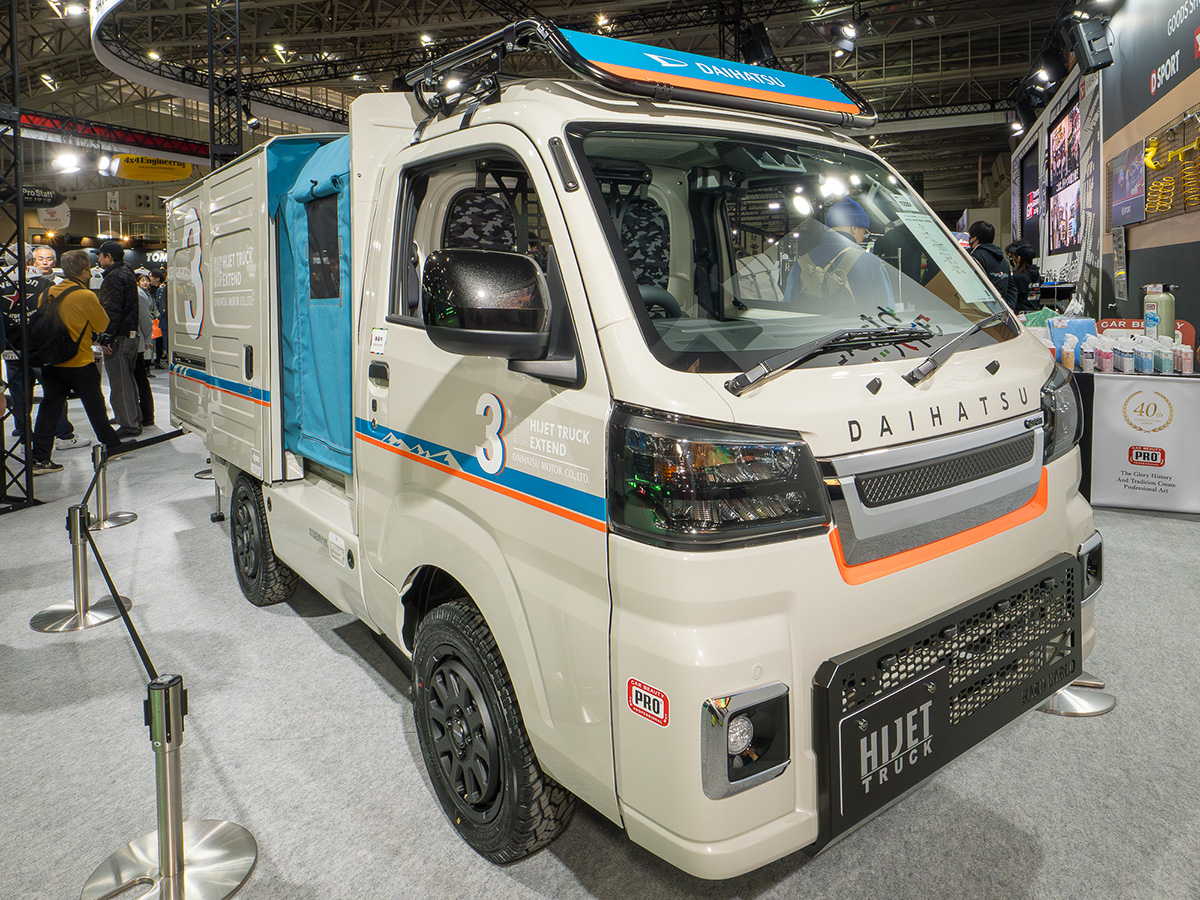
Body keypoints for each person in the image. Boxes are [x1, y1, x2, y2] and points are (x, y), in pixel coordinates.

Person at [29, 250, 129, 474]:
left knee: (49, 409)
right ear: (84, 271)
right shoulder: (85, 295)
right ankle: (112, 446)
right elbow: (102, 324)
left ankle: (40, 457)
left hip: (53, 361)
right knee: (95, 407)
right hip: (80, 361)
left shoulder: (47, 293)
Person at [2, 246, 89, 449]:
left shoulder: (1, 284)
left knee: (20, 396)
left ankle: (24, 438)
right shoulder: (45, 283)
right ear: (31, 261)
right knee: (54, 391)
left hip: (11, 348)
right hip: (40, 347)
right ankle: (64, 436)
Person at [787, 197, 894, 313]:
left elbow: (786, 309)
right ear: (854, 229)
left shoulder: (800, 264)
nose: (863, 237)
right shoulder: (872, 263)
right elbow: (888, 311)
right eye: (863, 231)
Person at [97, 240, 143, 438]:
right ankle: (133, 417)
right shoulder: (127, 273)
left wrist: (106, 337)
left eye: (100, 255)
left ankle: (129, 423)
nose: (98, 259)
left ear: (109, 257)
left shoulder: (115, 277)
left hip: (119, 337)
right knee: (127, 380)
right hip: (129, 336)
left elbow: (112, 310)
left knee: (120, 382)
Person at [967, 221, 1016, 306]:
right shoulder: (1003, 260)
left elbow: (972, 285)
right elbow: (1012, 287)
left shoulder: (976, 257)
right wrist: (1008, 307)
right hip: (1001, 309)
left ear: (974, 238)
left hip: (983, 309)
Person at [1005, 243, 1042, 313]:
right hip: (1034, 313)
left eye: (1014, 258)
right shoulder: (1037, 275)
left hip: (1020, 315)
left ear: (1018, 259)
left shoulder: (1018, 278)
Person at [150, 268, 168, 368]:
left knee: (162, 342)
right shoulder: (159, 290)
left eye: (151, 277)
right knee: (159, 341)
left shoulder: (161, 289)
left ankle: (159, 359)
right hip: (159, 320)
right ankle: (157, 360)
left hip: (161, 319)